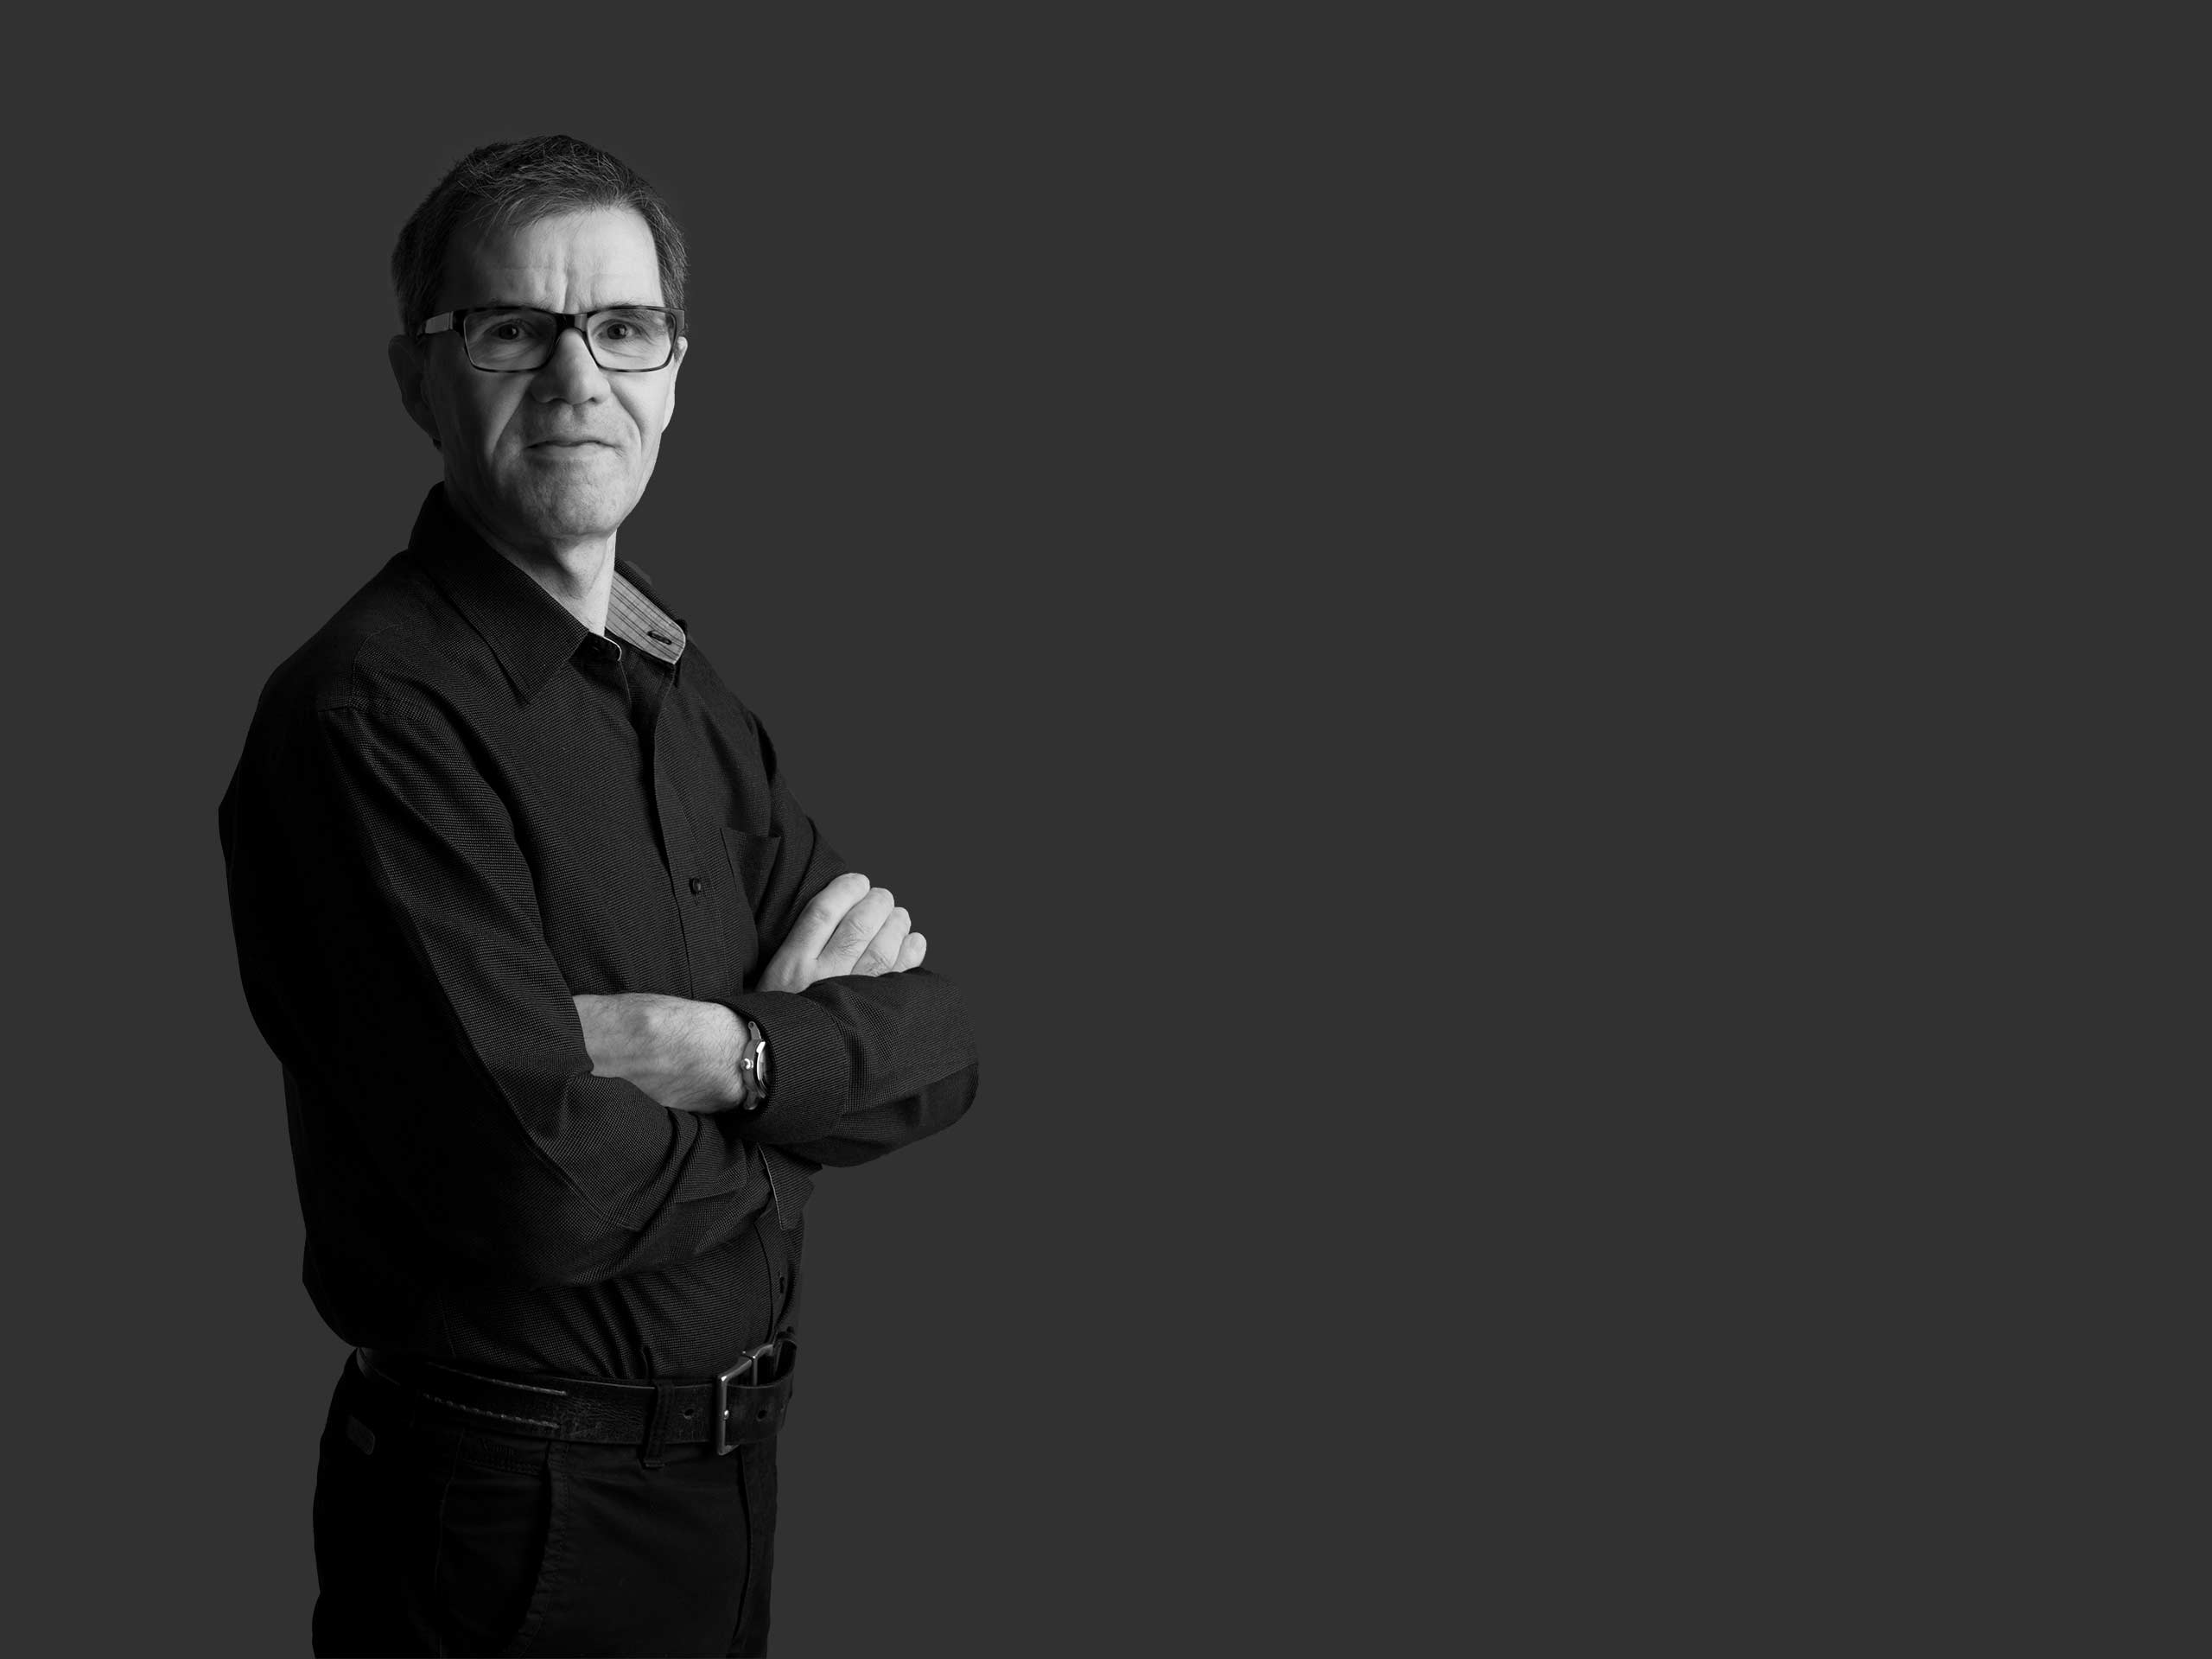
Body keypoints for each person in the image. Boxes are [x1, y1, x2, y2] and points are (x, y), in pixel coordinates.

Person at [217, 134, 981, 1656]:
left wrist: (726, 1056)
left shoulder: (680, 689)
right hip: (512, 1516)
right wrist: (798, 1106)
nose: (579, 378)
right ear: (419, 377)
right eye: (513, 329)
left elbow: (940, 1042)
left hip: (724, 1490)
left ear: (674, 372)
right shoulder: (371, 719)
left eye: (623, 328)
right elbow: (539, 1188)